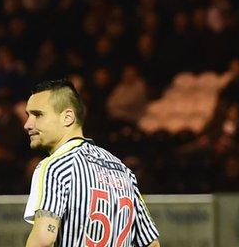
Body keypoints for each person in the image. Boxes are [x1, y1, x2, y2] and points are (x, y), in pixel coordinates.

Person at [24, 79, 160, 247]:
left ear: (68, 117)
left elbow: (43, 239)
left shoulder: (55, 166)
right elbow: (152, 244)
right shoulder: (124, 171)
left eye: (38, 114)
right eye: (28, 115)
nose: (27, 124)